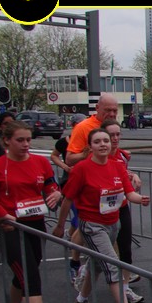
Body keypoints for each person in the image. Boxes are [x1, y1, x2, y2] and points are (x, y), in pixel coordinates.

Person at [52, 127, 150, 303]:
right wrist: (60, 226)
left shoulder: (116, 166)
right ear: (90, 146)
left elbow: (128, 193)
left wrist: (140, 199)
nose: (103, 144)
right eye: (97, 142)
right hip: (91, 226)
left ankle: (81, 300)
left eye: (105, 140)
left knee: (97, 265)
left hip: (113, 224)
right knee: (112, 264)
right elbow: (68, 199)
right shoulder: (82, 169)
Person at [0, 121, 63, 303]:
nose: (26, 144)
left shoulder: (40, 162)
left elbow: (50, 185)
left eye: (28, 139)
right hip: (9, 227)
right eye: (20, 140)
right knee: (31, 277)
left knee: (25, 272)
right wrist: (1, 215)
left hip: (35, 224)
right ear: (7, 141)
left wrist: (56, 194)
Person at [102, 119, 144, 303]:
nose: (115, 138)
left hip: (121, 205)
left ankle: (125, 287)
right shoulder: (97, 157)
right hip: (101, 211)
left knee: (125, 247)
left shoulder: (123, 156)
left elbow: (123, 174)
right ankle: (83, 281)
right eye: (111, 135)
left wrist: (134, 177)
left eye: (118, 134)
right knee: (102, 255)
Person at [50, 113, 87, 282]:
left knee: (81, 220)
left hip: (87, 181)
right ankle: (75, 261)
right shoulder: (65, 142)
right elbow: (54, 155)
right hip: (70, 180)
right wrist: (65, 166)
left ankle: (71, 235)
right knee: (80, 219)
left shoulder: (88, 141)